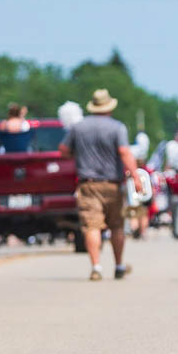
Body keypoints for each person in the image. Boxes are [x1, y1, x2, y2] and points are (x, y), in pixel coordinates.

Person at [59, 89, 139, 281]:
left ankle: (96, 267)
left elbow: (63, 150)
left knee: (92, 226)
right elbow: (124, 152)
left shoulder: (78, 128)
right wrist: (135, 176)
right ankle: (119, 265)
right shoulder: (117, 127)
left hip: (88, 185)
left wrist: (79, 155)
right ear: (109, 107)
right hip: (112, 184)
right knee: (117, 226)